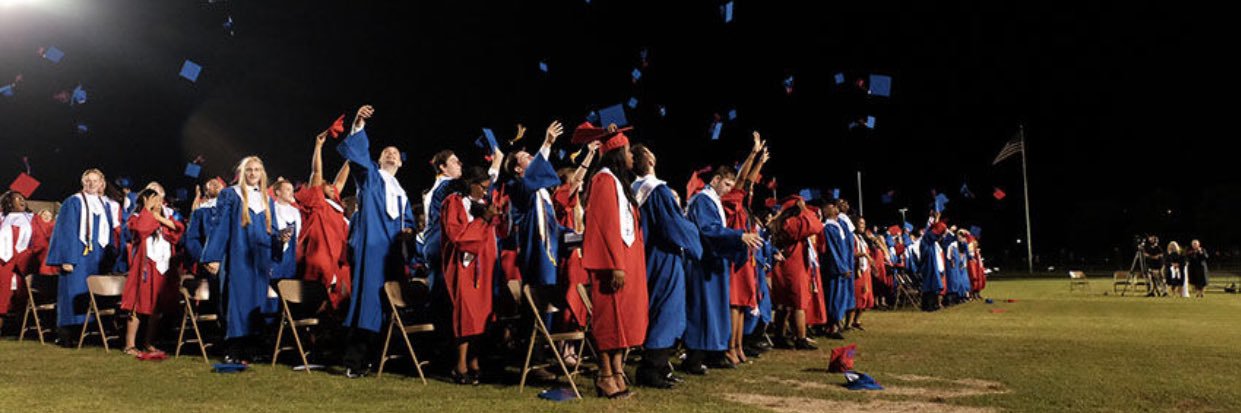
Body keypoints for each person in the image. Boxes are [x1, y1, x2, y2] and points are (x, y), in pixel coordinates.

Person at [333, 105, 419, 377]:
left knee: (387, 306)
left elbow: (408, 223)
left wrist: (409, 236)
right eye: (386, 152)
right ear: (379, 160)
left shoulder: (402, 193)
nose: (391, 154)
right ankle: (353, 361)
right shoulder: (370, 178)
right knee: (367, 303)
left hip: (392, 254)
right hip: (372, 251)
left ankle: (378, 357)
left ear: (401, 162)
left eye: (395, 153)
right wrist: (358, 125)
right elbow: (358, 157)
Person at [577, 123, 648, 398]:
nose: (632, 156)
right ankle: (605, 375)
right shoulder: (604, 180)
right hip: (613, 264)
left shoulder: (618, 182)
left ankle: (618, 371)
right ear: (618, 153)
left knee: (624, 319)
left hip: (626, 260)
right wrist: (615, 263)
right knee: (609, 320)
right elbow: (604, 227)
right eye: (629, 151)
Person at [201, 156, 289, 363]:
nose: (253, 173)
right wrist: (213, 256)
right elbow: (220, 226)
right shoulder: (231, 195)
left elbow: (272, 231)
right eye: (249, 169)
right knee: (237, 302)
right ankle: (234, 348)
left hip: (260, 260)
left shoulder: (268, 200)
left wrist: (280, 238)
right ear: (242, 172)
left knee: (257, 301)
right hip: (238, 257)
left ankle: (252, 348)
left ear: (262, 174)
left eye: (257, 170)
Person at [630, 143, 702, 389]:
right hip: (665, 257)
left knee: (658, 309)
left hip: (647, 255)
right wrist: (695, 238)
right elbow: (674, 226)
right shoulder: (657, 191)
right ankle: (650, 369)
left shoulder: (635, 189)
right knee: (667, 311)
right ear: (649, 160)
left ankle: (661, 366)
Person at [683, 164, 763, 374]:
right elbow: (708, 230)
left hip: (715, 262)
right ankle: (694, 358)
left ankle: (712, 353)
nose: (729, 188)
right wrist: (739, 236)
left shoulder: (713, 201)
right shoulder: (702, 199)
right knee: (702, 310)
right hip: (703, 263)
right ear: (716, 180)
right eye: (727, 183)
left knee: (714, 311)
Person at [440, 167, 501, 385]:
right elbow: (459, 237)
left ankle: (475, 361)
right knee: (465, 314)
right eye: (482, 188)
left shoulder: (482, 205)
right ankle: (460, 364)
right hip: (462, 266)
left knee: (480, 314)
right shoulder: (453, 202)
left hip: (482, 267)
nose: (485, 193)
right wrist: (484, 219)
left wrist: (491, 218)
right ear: (470, 184)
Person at [46, 169, 121, 346]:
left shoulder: (105, 205)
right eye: (88, 181)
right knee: (73, 292)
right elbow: (66, 231)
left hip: (97, 257)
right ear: (83, 183)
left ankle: (91, 332)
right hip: (78, 256)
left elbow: (109, 233)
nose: (92, 184)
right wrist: (66, 258)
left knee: (92, 294)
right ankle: (66, 334)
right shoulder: (73, 202)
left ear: (102, 183)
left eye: (95, 181)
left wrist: (110, 258)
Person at [120, 187, 185, 357]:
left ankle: (149, 343)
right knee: (137, 305)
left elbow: (178, 231)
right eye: (153, 198)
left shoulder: (165, 216)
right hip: (144, 266)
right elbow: (141, 230)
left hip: (162, 267)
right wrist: (148, 211)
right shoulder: (136, 217)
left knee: (157, 307)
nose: (157, 201)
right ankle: (130, 345)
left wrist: (158, 217)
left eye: (159, 198)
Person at [295, 129, 353, 310]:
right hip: (319, 253)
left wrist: (353, 155)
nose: (330, 185)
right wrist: (318, 146)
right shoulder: (317, 201)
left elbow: (342, 178)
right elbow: (316, 171)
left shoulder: (335, 204)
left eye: (330, 184)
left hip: (336, 255)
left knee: (337, 296)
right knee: (318, 296)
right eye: (325, 184)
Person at [768, 195, 823, 349]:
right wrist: (804, 209)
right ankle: (801, 338)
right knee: (799, 304)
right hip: (794, 266)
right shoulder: (791, 223)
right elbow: (817, 226)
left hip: (784, 267)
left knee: (783, 304)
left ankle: (780, 336)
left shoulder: (779, 222)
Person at [0, 191, 44, 334]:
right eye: (17, 198)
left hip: (24, 259)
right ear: (9, 203)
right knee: (2, 292)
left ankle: (19, 328)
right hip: (3, 260)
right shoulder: (2, 218)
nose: (22, 200)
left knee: (22, 293)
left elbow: (43, 236)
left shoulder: (32, 219)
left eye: (23, 198)